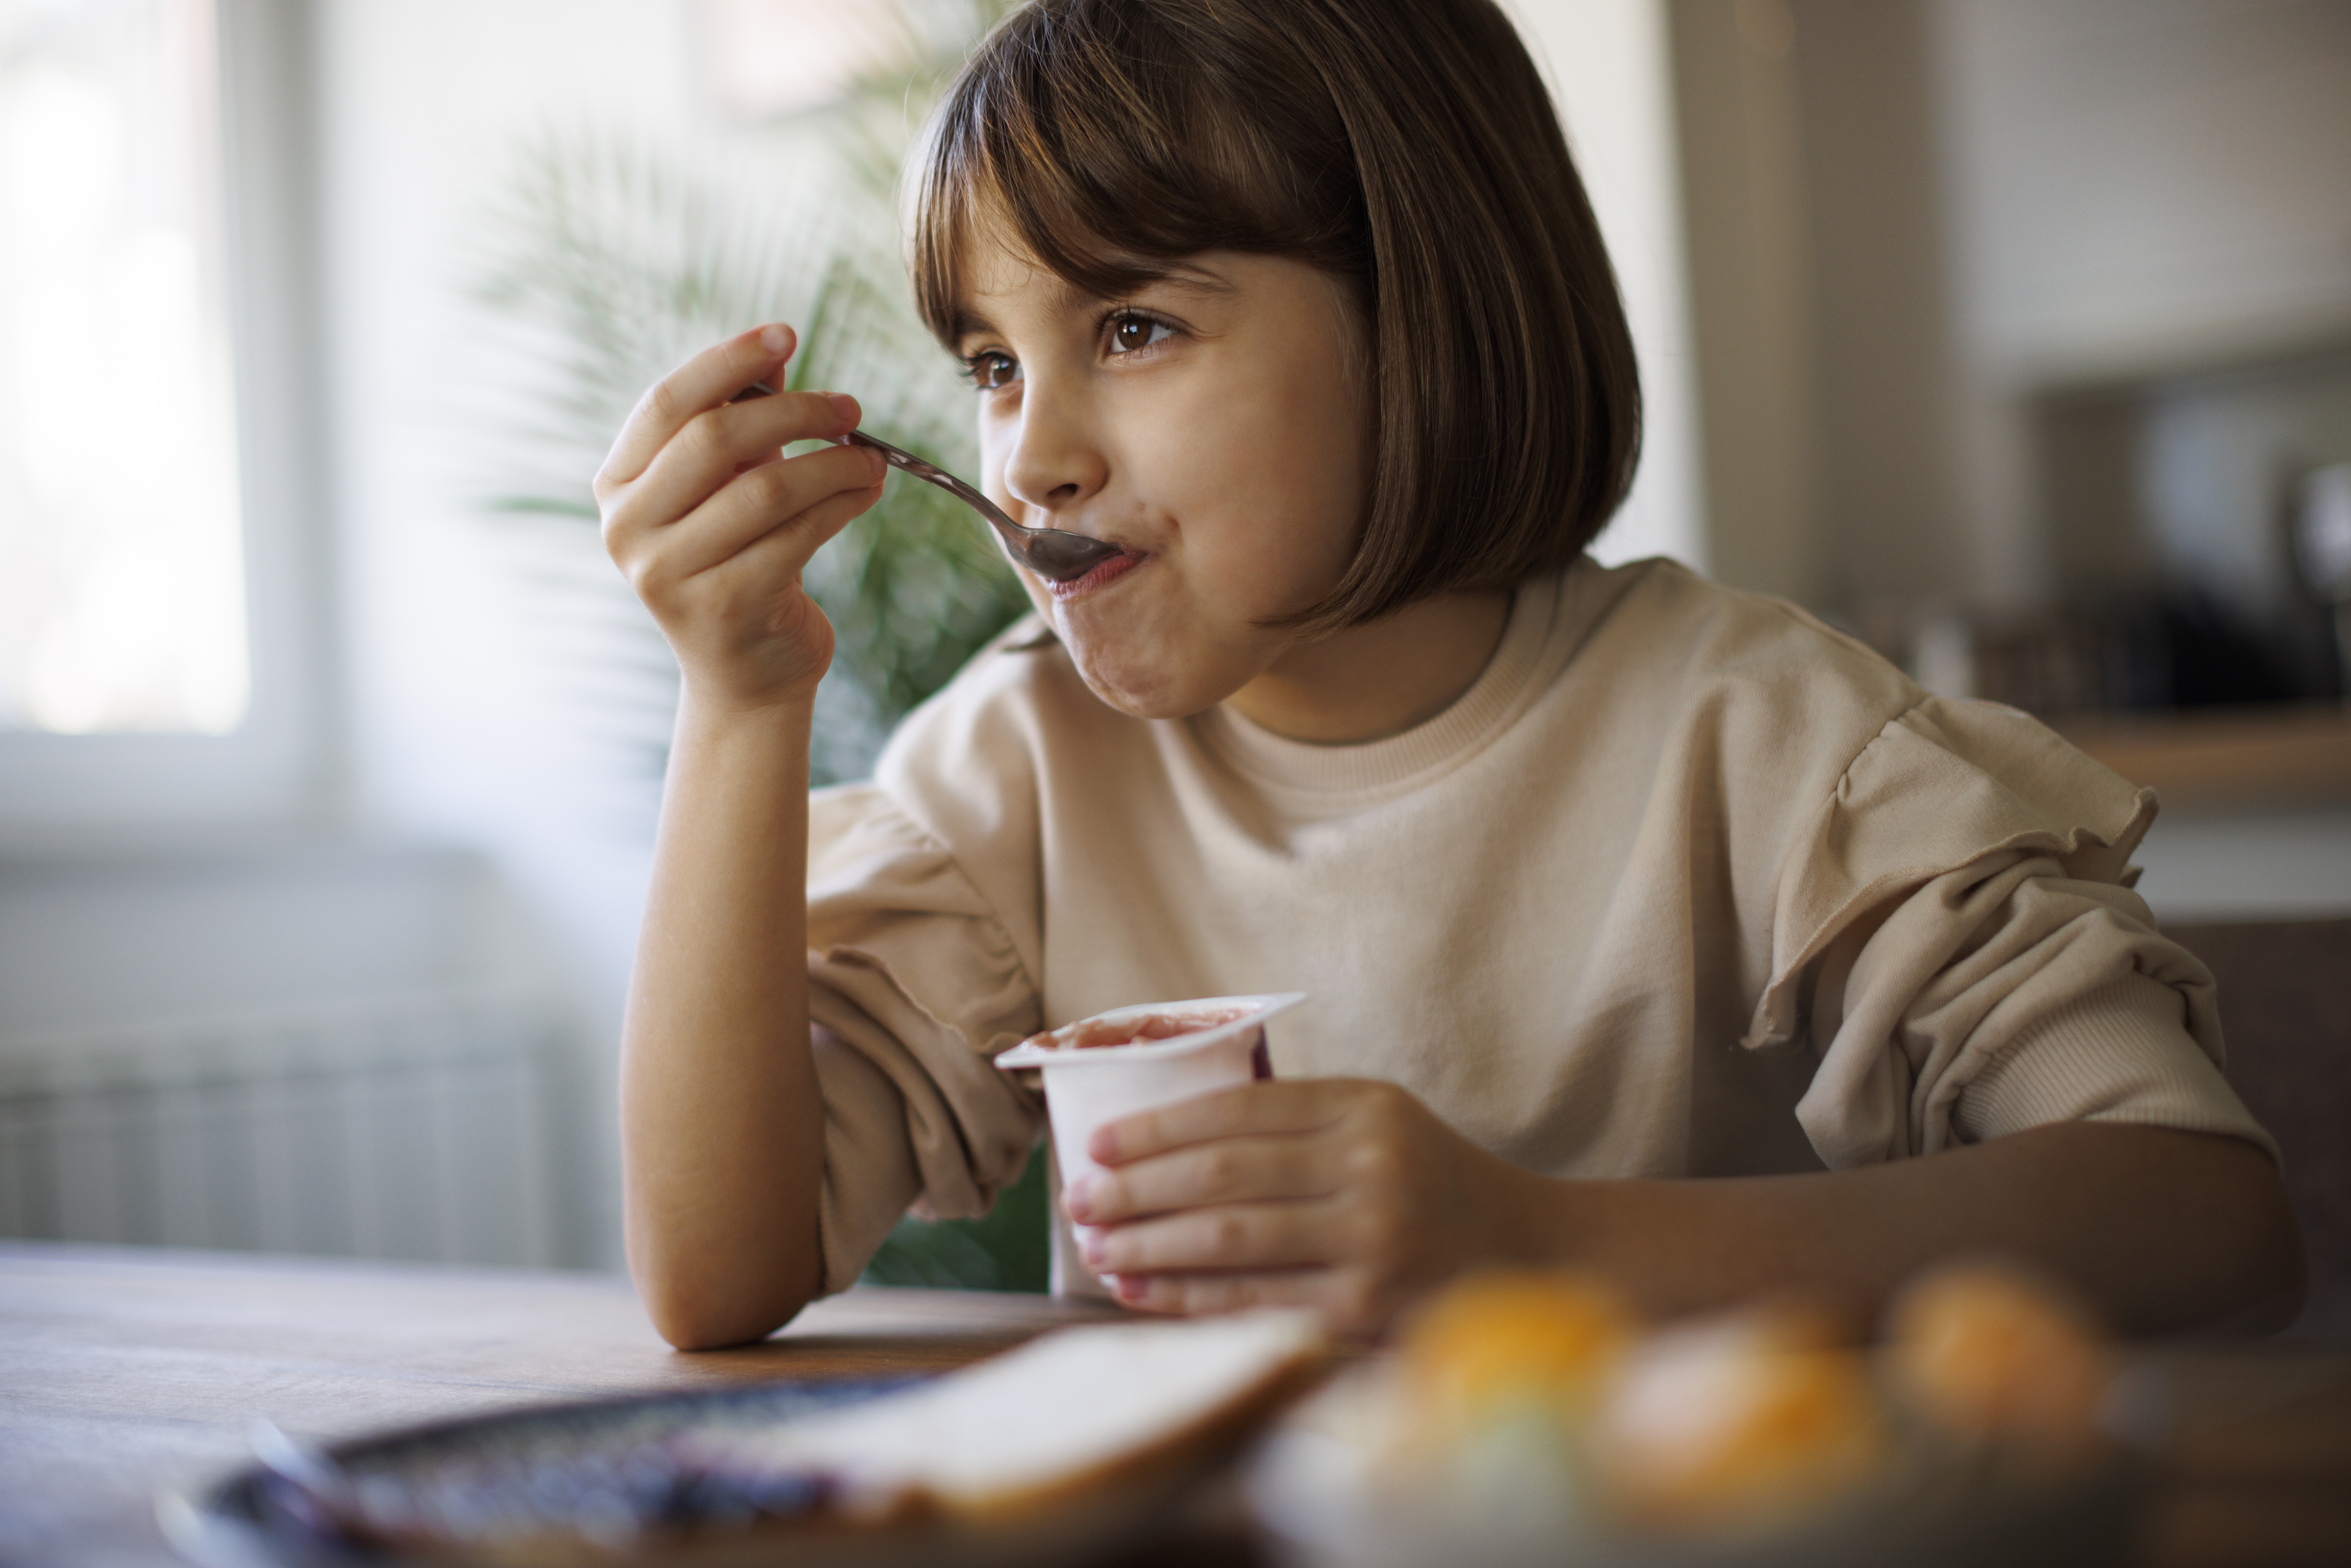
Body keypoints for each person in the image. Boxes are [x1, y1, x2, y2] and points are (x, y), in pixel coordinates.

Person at [595, 0, 2301, 1351]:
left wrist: (1539, 1240)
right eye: (988, 361)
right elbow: (720, 1272)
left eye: (1133, 329)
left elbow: (2209, 1216)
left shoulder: (1759, 743)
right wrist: (742, 705)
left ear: (1422, 315)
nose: (1030, 453)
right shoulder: (1018, 772)